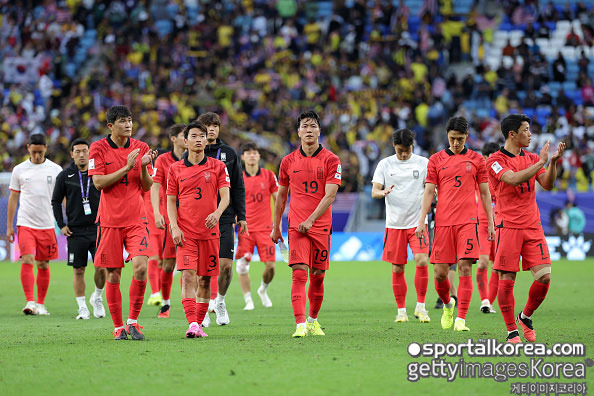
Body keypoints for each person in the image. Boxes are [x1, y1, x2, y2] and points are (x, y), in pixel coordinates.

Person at [486, 114, 565, 343]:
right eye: (526, 130)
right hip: (508, 226)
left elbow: (548, 185)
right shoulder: (494, 160)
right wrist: (541, 162)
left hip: (532, 225)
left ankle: (525, 316)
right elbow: (511, 179)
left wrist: (553, 163)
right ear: (512, 134)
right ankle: (512, 331)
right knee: (507, 279)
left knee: (544, 277)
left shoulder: (531, 157)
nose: (530, 134)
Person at [415, 116, 495, 332]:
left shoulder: (477, 160)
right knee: (440, 274)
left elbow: (486, 193)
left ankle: (461, 319)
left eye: (460, 139)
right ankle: (449, 305)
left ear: (467, 136)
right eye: (452, 139)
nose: (456, 143)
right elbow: (429, 191)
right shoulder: (436, 160)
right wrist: (421, 220)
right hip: (442, 224)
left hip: (468, 223)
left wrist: (490, 221)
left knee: (465, 267)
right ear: (447, 136)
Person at [89, 105, 158, 341]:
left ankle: (133, 322)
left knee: (141, 267)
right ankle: (118, 327)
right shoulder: (97, 148)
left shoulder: (142, 148)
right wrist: (127, 167)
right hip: (109, 220)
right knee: (113, 274)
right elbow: (98, 183)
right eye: (122, 121)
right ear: (110, 126)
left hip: (137, 218)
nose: (128, 125)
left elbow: (147, 185)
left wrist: (143, 166)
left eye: (130, 120)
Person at [271, 111, 342, 338]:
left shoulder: (332, 160)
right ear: (298, 132)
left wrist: (311, 219)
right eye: (305, 126)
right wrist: (275, 226)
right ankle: (300, 324)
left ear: (319, 131)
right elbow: (281, 196)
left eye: (313, 126)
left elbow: (330, 196)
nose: (309, 130)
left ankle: (313, 320)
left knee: (318, 276)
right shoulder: (288, 161)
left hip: (320, 226)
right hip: (296, 227)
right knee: (299, 274)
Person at [166, 122, 230, 338]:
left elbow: (226, 196)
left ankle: (199, 325)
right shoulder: (175, 169)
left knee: (205, 280)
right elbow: (170, 201)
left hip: (210, 233)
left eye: (202, 136)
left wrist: (217, 213)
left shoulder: (218, 166)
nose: (199, 139)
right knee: (188, 276)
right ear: (185, 141)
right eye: (194, 136)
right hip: (186, 233)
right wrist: (174, 227)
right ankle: (192, 323)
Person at [371, 128, 431, 323]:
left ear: (412, 146)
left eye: (407, 150)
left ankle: (421, 307)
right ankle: (401, 311)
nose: (404, 154)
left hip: (418, 223)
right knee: (398, 268)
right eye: (399, 150)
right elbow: (374, 191)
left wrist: (433, 195)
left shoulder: (423, 163)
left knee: (422, 260)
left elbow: (430, 190)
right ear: (394, 147)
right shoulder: (385, 164)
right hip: (395, 224)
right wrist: (383, 192)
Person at [197, 112, 247, 327]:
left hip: (225, 216)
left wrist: (241, 215)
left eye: (215, 125)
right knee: (203, 270)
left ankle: (220, 302)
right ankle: (203, 308)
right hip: (199, 218)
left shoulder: (229, 153)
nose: (211, 129)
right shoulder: (192, 154)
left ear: (219, 128)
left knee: (226, 266)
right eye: (207, 125)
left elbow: (238, 185)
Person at [7, 134, 63, 315]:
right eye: (34, 152)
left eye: (40, 152)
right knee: (28, 260)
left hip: (47, 224)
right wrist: (10, 225)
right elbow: (13, 198)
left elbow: (63, 198)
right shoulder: (19, 170)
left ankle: (41, 303)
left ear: (46, 148)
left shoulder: (55, 169)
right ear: (28, 148)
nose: (37, 155)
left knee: (44, 264)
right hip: (26, 223)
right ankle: (30, 301)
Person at [51, 138, 106, 320]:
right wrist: (61, 224)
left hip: (98, 227)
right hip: (75, 230)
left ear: (90, 153)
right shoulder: (65, 176)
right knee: (78, 269)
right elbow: (56, 201)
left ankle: (97, 298)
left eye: (84, 151)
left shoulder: (97, 173)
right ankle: (82, 307)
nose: (81, 154)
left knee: (101, 267)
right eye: (77, 151)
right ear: (72, 154)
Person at [235, 142, 278, 310]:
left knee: (271, 267)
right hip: (245, 229)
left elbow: (278, 199)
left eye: (255, 152)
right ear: (243, 157)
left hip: (266, 229)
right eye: (248, 152)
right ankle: (248, 300)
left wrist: (278, 222)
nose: (252, 155)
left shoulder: (268, 175)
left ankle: (263, 289)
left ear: (259, 156)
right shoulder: (238, 177)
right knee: (243, 265)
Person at [150, 123, 187, 318]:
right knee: (168, 264)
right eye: (183, 135)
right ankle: (165, 304)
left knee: (191, 266)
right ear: (173, 138)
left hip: (192, 218)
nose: (187, 138)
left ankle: (192, 305)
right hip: (171, 218)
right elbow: (155, 187)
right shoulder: (163, 160)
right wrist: (157, 212)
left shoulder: (195, 158)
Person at [476, 142, 501, 314]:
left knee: (498, 267)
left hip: (500, 225)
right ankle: (484, 300)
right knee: (483, 262)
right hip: (482, 225)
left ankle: (489, 303)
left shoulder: (502, 176)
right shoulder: (478, 176)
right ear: (484, 158)